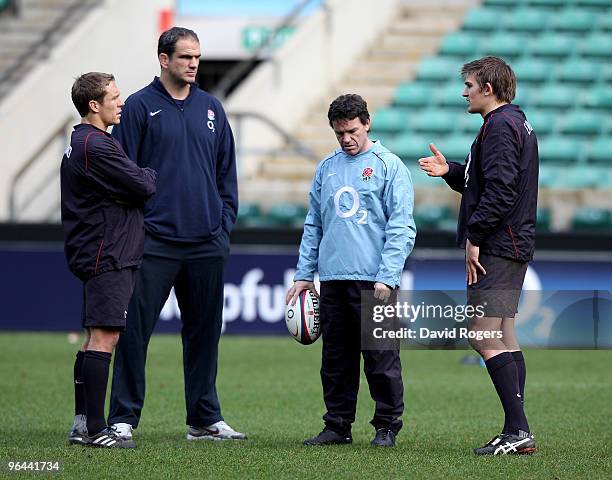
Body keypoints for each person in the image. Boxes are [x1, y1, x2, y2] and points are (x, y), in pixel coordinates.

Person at [106, 27, 243, 445]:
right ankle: (123, 418)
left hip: (205, 242)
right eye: (186, 57)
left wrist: (222, 227)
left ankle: (204, 419)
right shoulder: (138, 108)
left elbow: (226, 174)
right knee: (134, 332)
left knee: (204, 333)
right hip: (154, 242)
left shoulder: (212, 109)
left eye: (198, 57)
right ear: (164, 59)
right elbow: (121, 174)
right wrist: (137, 230)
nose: (194, 64)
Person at [418, 56, 538, 455]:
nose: (464, 91)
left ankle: (518, 431)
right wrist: (450, 170)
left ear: (488, 88)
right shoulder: (510, 122)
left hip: (498, 245)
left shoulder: (501, 127)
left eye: (468, 84)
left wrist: (474, 236)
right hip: (511, 242)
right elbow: (483, 179)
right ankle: (516, 430)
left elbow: (501, 192)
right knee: (502, 335)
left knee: (482, 335)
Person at [287, 94, 416, 447]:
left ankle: (387, 426)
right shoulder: (327, 168)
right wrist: (303, 274)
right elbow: (314, 223)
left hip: (374, 281)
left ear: (367, 123)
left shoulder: (390, 166)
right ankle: (337, 425)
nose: (347, 139)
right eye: (340, 132)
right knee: (335, 359)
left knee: (380, 358)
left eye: (353, 131)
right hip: (331, 279)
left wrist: (387, 276)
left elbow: (402, 227)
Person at [62, 72, 157, 448]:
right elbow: (143, 185)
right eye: (114, 97)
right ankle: (99, 430)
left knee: (93, 339)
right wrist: (145, 175)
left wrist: (134, 182)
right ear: (94, 105)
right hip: (109, 252)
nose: (121, 102)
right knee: (105, 336)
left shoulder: (85, 141)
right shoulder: (95, 145)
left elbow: (131, 186)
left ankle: (83, 422)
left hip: (103, 249)